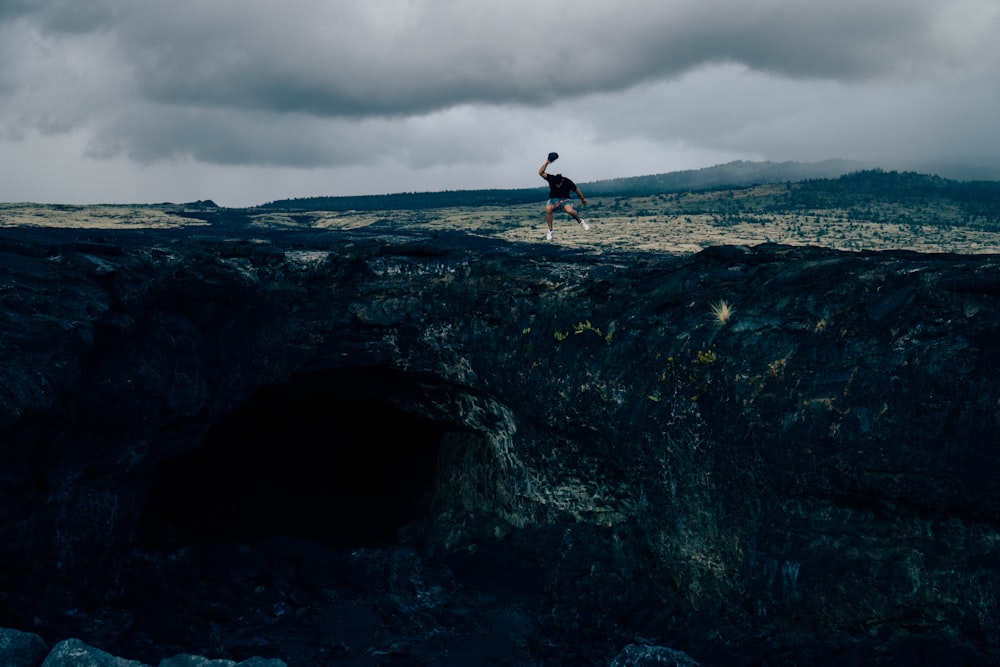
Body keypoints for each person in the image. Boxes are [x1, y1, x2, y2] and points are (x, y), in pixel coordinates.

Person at [539, 156, 589, 240]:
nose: (557, 186)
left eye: (559, 184)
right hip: (554, 200)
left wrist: (582, 200)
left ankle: (580, 221)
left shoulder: (567, 182)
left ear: (562, 181)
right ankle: (550, 230)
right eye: (556, 185)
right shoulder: (552, 178)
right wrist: (547, 162)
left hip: (565, 200)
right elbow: (540, 172)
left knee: (569, 210)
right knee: (548, 209)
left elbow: (577, 190)